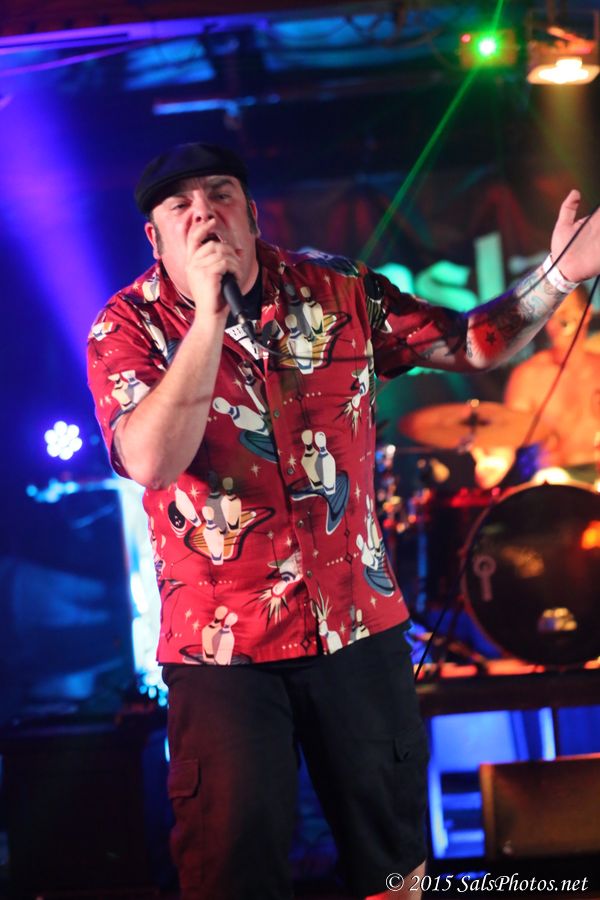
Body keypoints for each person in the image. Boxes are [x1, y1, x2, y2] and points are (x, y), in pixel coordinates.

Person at [87, 141, 600, 900]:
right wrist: (208, 319)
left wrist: (561, 273)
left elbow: (470, 343)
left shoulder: (337, 289)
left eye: (220, 193)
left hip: (357, 630)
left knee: (393, 868)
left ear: (251, 213)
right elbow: (154, 461)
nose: (203, 214)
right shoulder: (126, 328)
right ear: (155, 237)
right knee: (232, 875)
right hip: (222, 654)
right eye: (179, 204)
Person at [504, 284, 600, 477]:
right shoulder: (528, 376)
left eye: (564, 313)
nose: (555, 324)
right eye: (549, 315)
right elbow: (506, 438)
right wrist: (495, 461)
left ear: (586, 313)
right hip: (555, 482)